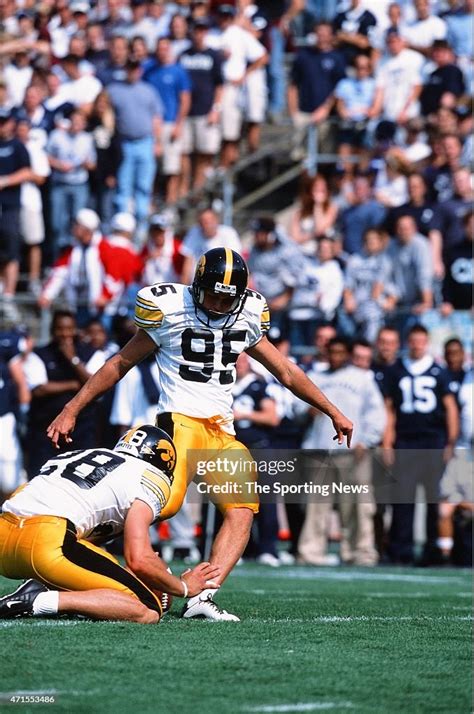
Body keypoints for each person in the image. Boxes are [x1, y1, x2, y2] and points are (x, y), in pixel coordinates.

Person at [47, 247, 353, 621]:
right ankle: (67, 550)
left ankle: (202, 597)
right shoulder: (170, 310)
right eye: (213, 295)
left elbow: (286, 373)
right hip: (181, 422)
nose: (221, 304)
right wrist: (71, 408)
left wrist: (332, 411)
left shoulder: (248, 317)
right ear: (197, 286)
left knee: (242, 511)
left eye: (229, 298)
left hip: (222, 429)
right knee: (160, 506)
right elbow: (119, 364)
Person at [0, 424, 220, 623]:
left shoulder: (80, 454)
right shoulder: (151, 477)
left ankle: (49, 591)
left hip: (4, 540)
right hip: (46, 541)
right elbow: (139, 560)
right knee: (148, 609)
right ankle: (38, 600)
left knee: (100, 563)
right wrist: (182, 587)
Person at [298, 337, 385, 566]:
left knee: (358, 505)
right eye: (332, 351)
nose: (336, 356)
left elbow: (375, 413)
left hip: (353, 451)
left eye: (340, 352)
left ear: (347, 353)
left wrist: (367, 441)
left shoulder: (362, 379)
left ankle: (360, 552)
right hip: (319, 449)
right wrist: (306, 411)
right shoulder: (315, 377)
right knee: (316, 506)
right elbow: (294, 406)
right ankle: (310, 552)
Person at [382, 324, 459, 565]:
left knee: (433, 499)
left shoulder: (438, 371)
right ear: (408, 342)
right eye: (413, 340)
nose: (417, 345)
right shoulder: (396, 370)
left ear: (426, 342)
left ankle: (432, 551)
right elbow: (389, 409)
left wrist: (450, 442)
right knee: (403, 498)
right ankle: (400, 550)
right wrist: (387, 442)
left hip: (433, 440)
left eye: (421, 340)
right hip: (405, 441)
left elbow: (450, 409)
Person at [24, 309, 106, 480]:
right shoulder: (40, 354)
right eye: (60, 329)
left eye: (69, 329)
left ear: (75, 329)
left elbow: (97, 384)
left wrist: (73, 359)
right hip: (45, 431)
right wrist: (73, 384)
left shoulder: (91, 353)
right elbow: (39, 388)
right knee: (41, 480)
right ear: (53, 330)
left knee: (82, 481)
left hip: (82, 430)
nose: (65, 334)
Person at [108, 58, 163, 234]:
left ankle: (141, 231)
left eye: (135, 68)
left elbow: (156, 117)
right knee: (123, 188)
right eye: (129, 68)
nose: (132, 72)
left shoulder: (148, 91)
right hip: (124, 143)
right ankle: (123, 230)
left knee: (143, 188)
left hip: (145, 142)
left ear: (139, 70)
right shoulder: (114, 90)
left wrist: (158, 141)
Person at [143, 36, 192, 203]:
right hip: (151, 124)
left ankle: (171, 202)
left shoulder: (178, 71)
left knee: (171, 167)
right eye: (159, 48)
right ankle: (153, 202)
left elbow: (185, 99)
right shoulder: (149, 70)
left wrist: (179, 124)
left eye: (165, 48)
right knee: (152, 168)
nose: (162, 52)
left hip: (170, 123)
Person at [0, 108, 31, 321]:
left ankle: (9, 295)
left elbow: (28, 171)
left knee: (11, 250)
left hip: (10, 205)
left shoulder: (17, 146)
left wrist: (6, 180)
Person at [180, 207, 241, 284]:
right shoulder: (193, 233)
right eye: (203, 222)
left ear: (216, 220)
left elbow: (236, 263)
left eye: (210, 221)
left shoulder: (229, 234)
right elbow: (187, 266)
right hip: (196, 284)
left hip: (222, 284)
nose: (207, 225)